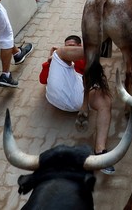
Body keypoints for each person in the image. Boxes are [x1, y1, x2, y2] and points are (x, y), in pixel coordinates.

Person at [42, 36, 116, 175]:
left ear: (79, 46)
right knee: (60, 53)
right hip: (57, 95)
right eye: (67, 46)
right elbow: (42, 79)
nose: (69, 48)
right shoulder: (60, 59)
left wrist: (84, 104)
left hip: (78, 96)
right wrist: (49, 61)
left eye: (72, 46)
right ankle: (100, 48)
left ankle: (100, 151)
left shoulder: (85, 64)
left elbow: (90, 80)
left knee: (105, 101)